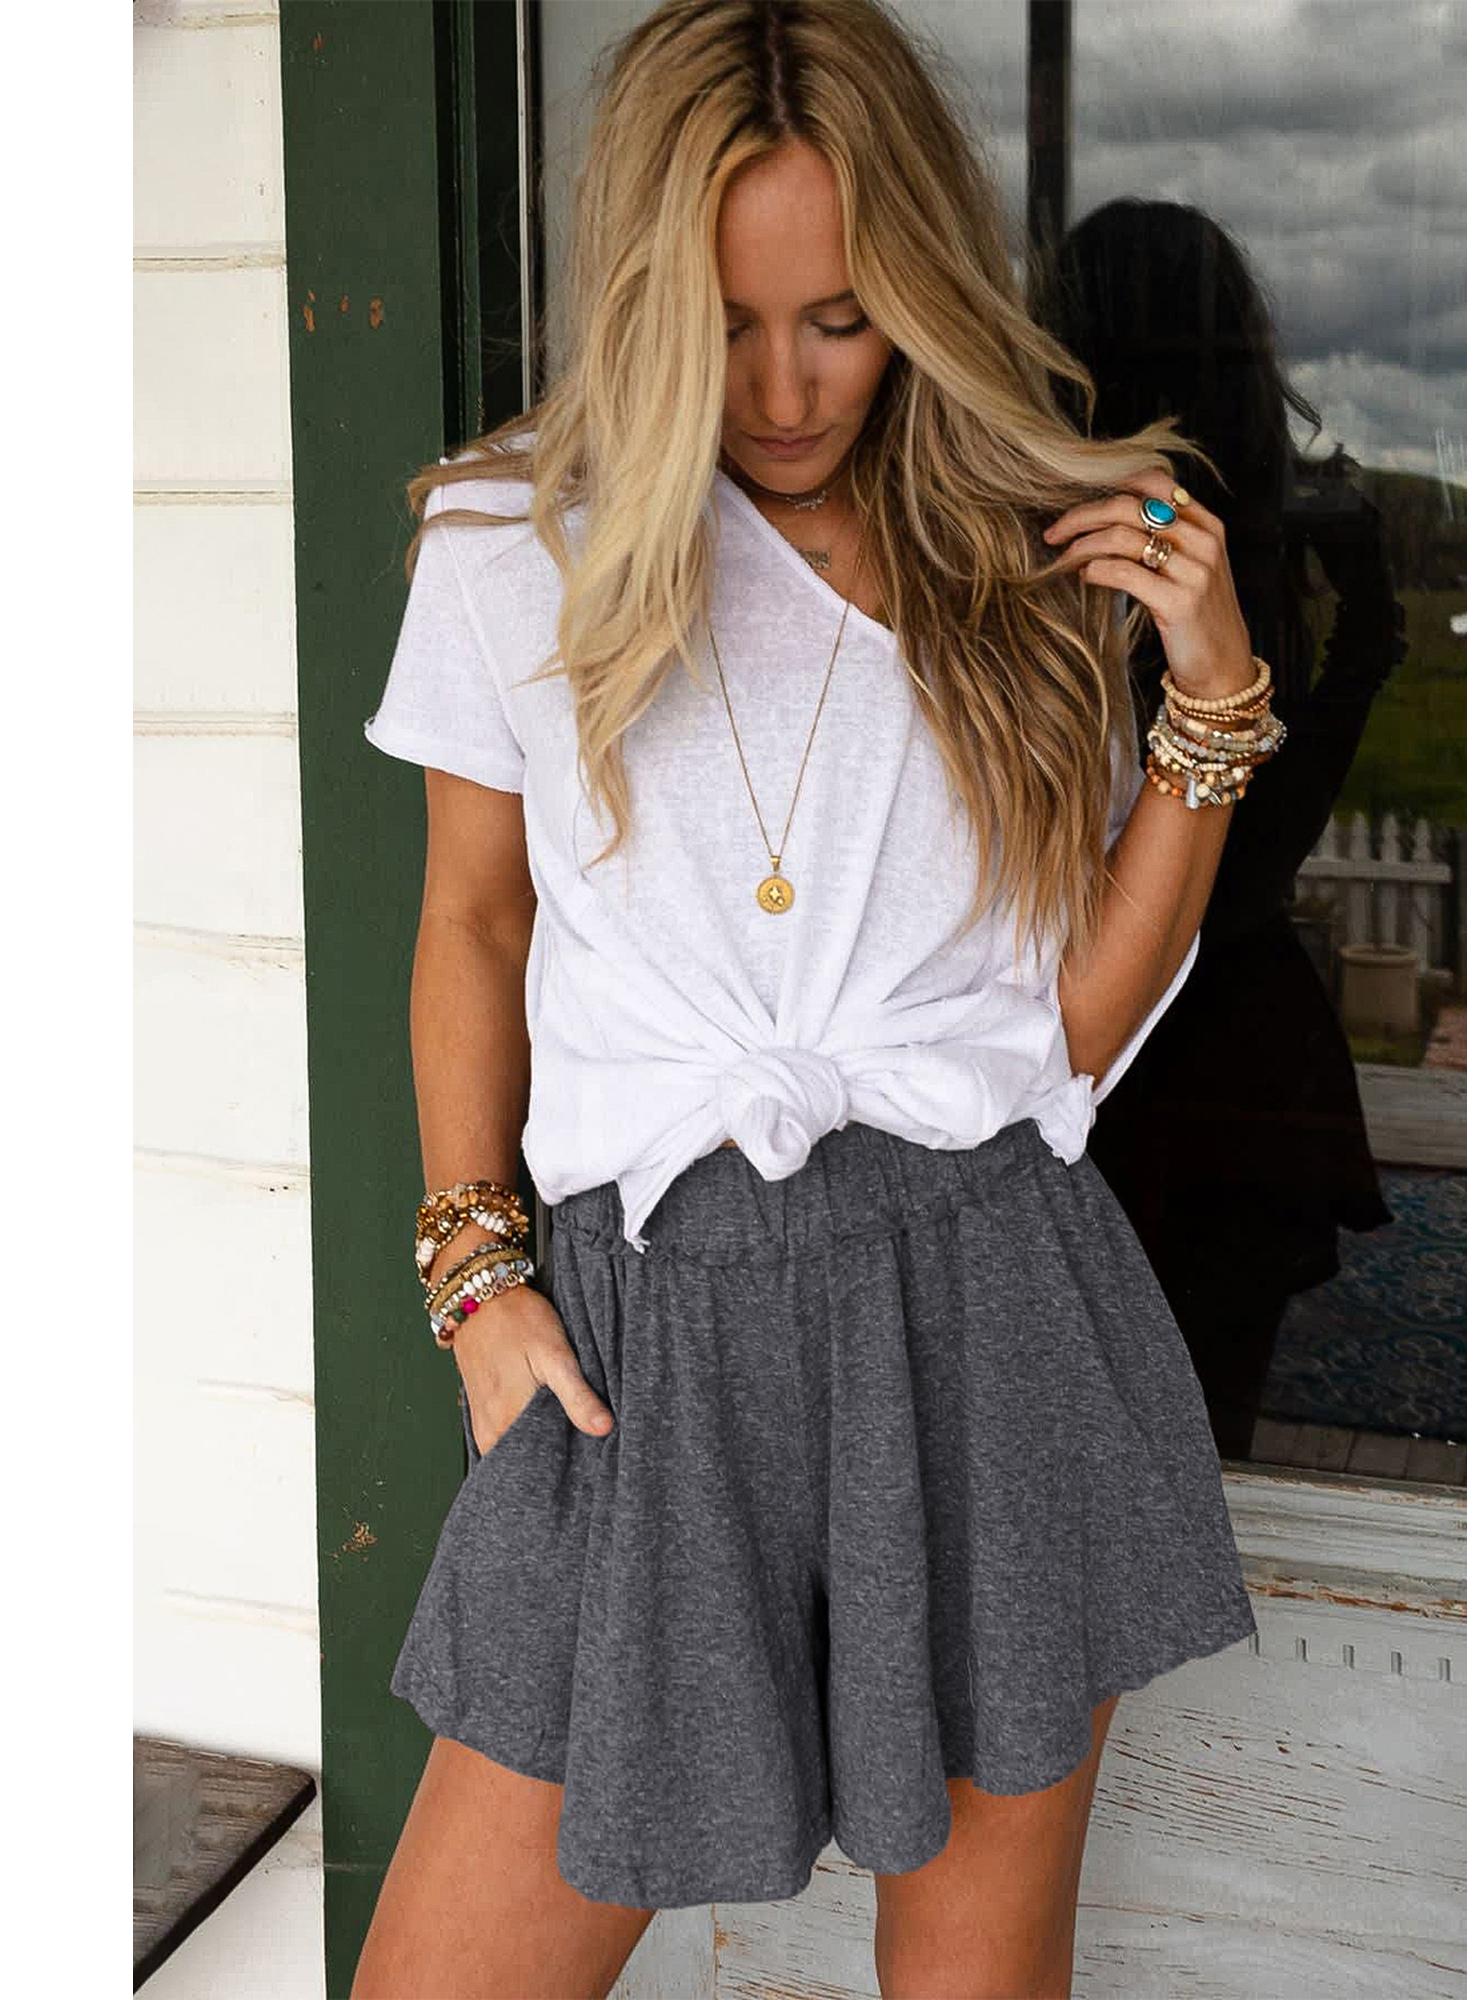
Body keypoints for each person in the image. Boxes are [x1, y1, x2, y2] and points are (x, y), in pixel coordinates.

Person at [352, 5, 1263, 1995]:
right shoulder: (510, 543)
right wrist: (474, 1276)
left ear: (918, 289)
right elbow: (472, 923)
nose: (782, 387)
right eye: (730, 322)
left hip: (987, 1314)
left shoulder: (1017, 558)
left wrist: (1209, 704)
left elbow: (1067, 1038)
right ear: (645, 299)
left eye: (842, 319)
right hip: (644, 1332)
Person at [1052, 200, 1403, 1460]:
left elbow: (1245, 860)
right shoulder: (1214, 553)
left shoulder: (1124, 557)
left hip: (1144, 1063)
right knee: (1190, 1454)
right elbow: (1256, 861)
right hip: (1205, 1056)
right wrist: (1360, 637)